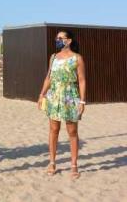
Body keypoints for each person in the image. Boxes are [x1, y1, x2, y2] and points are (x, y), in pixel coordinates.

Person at [37, 30, 87, 179]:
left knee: (72, 131)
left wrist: (83, 101)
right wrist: (41, 94)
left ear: (69, 40)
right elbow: (49, 78)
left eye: (60, 38)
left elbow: (82, 80)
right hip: (54, 96)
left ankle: (74, 165)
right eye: (56, 38)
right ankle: (52, 162)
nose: (57, 40)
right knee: (54, 129)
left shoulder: (77, 58)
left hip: (70, 96)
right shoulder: (53, 57)